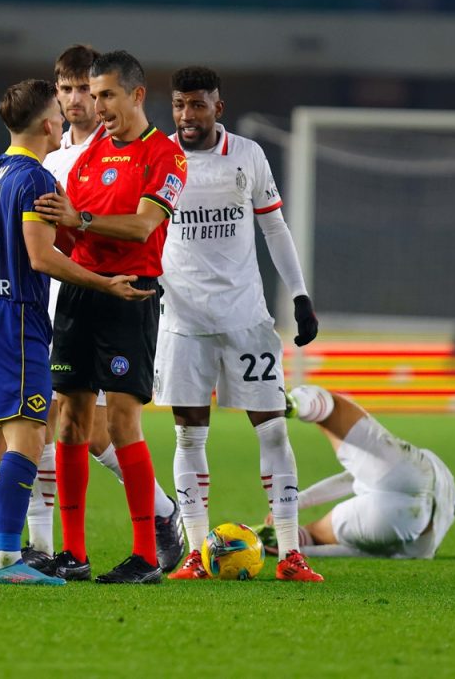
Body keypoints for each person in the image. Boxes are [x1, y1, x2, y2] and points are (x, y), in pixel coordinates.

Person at [0, 79, 154, 585]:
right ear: (47, 124)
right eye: (59, 115)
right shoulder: (35, 178)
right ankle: (7, 560)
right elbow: (42, 257)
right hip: (16, 316)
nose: (64, 120)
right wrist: (105, 283)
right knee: (26, 439)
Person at [154, 67, 323, 582]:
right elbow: (144, 230)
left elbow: (274, 226)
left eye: (197, 104)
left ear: (217, 108)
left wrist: (299, 295)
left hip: (246, 318)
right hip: (183, 321)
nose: (187, 115)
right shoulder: (158, 157)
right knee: (188, 438)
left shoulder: (247, 155)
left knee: (273, 429)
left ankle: (290, 553)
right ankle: (195, 554)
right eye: (180, 104)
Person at [23, 44, 182, 575]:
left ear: (137, 94)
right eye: (94, 96)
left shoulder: (165, 155)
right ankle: (73, 553)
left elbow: (143, 226)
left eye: (107, 95)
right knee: (69, 420)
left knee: (120, 421)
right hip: (81, 291)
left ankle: (146, 554)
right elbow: (70, 230)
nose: (98, 106)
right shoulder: (90, 156)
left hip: (131, 293)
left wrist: (80, 219)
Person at [256, 385, 455, 559]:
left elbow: (354, 479)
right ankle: (284, 541)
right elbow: (361, 552)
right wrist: (301, 549)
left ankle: (296, 402)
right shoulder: (424, 549)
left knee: (332, 408)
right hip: (408, 524)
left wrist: (298, 501)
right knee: (315, 535)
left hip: (418, 470)